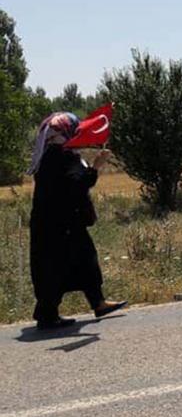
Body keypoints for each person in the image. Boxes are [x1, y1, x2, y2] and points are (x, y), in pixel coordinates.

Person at [28, 113, 127, 330]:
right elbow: (77, 185)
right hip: (64, 226)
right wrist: (95, 166)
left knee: (66, 265)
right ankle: (49, 315)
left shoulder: (47, 155)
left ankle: (94, 303)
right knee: (64, 266)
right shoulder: (64, 156)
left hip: (48, 224)